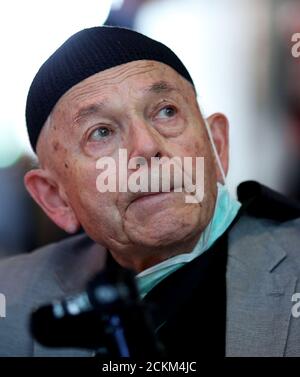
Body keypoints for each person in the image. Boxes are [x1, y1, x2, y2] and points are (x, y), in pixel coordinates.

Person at [0, 26, 300, 357]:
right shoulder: (10, 300)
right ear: (55, 197)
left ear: (217, 146)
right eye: (101, 132)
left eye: (166, 111)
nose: (146, 146)